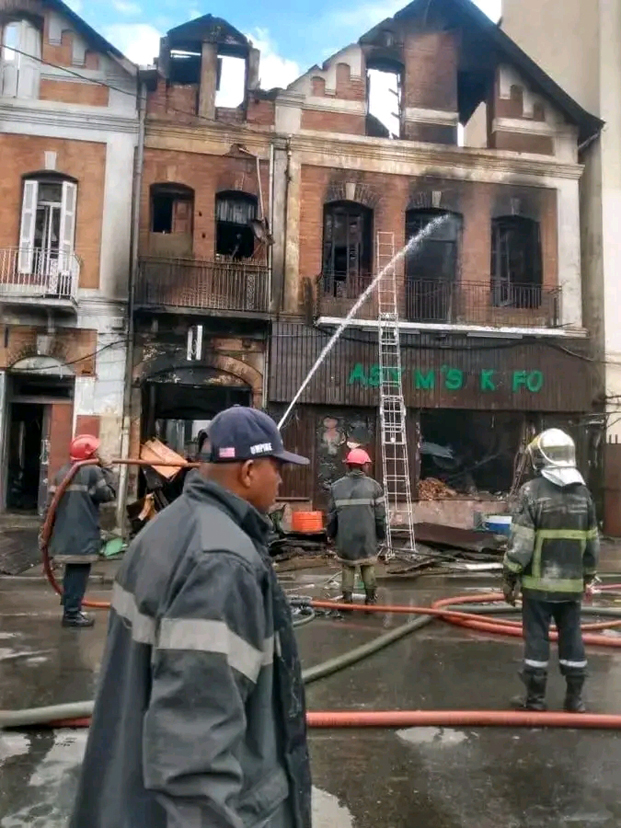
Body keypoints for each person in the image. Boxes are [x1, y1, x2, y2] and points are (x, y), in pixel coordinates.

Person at [69, 406, 312, 828]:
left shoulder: (164, 529)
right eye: (277, 467)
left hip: (129, 796)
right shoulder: (221, 561)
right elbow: (195, 750)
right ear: (250, 470)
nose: (281, 478)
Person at [502, 428, 599, 713]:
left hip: (538, 586)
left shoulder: (531, 491)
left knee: (536, 639)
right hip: (571, 587)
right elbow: (592, 544)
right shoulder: (584, 495)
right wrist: (588, 578)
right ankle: (575, 699)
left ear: (541, 458)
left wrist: (509, 578)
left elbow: (521, 544)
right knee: (572, 637)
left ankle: (535, 699)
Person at [48, 434, 116, 628]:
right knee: (78, 574)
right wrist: (109, 469)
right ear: (89, 453)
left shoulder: (62, 472)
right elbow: (108, 494)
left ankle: (72, 608)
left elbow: (50, 506)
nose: (98, 452)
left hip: (64, 535)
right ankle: (71, 615)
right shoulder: (92, 471)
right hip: (82, 535)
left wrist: (46, 533)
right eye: (95, 450)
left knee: (72, 573)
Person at [327, 448, 386, 607]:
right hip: (367, 535)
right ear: (364, 466)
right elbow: (380, 516)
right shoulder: (375, 487)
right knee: (367, 565)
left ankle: (347, 600)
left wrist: (331, 534)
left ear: (348, 466)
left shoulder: (336, 487)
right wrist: (381, 534)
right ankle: (371, 599)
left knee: (347, 565)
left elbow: (332, 515)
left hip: (345, 536)